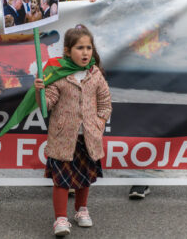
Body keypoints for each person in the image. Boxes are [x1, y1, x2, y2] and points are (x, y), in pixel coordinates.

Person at [34, 24, 112, 236]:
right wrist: (39, 92)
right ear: (67, 51)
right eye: (79, 48)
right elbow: (46, 105)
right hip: (63, 137)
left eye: (88, 47)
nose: (85, 52)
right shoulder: (58, 75)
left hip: (88, 137)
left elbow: (105, 102)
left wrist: (99, 123)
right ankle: (60, 218)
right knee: (61, 180)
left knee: (84, 177)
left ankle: (81, 210)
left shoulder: (95, 74)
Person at [113, 0, 168, 199]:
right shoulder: (118, 3)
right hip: (128, 70)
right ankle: (137, 171)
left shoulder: (172, 1)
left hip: (159, 70)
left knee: (153, 120)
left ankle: (142, 178)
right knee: (133, 120)